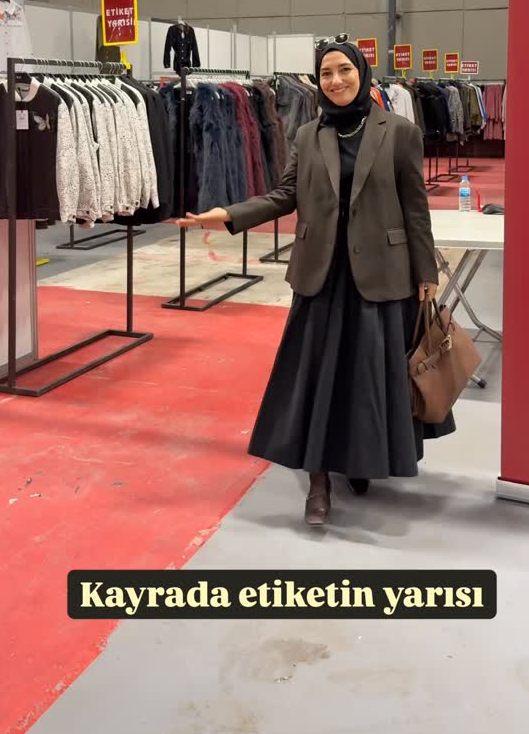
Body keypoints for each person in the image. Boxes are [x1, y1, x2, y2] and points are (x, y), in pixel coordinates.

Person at [178, 41, 456, 526]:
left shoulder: (400, 132)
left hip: (381, 273)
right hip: (321, 275)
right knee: (317, 379)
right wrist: (231, 214)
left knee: (368, 378)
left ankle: (362, 459)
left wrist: (426, 274)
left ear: (362, 72)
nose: (335, 80)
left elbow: (416, 209)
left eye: (344, 70)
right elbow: (285, 194)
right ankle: (319, 480)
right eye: (326, 73)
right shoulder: (308, 134)